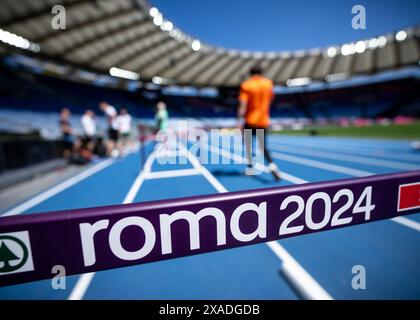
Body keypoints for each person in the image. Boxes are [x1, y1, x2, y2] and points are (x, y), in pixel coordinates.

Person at [237, 65, 281, 181]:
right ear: (261, 73)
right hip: (263, 121)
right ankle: (272, 166)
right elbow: (270, 99)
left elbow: (243, 105)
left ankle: (251, 169)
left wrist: (239, 120)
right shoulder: (268, 84)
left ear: (250, 73)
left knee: (248, 146)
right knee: (263, 146)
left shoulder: (247, 85)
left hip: (250, 121)